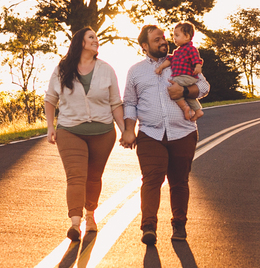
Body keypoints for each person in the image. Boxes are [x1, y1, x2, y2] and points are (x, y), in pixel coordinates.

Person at [120, 24, 210, 245]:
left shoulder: (182, 59)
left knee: (179, 182)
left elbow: (204, 86)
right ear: (144, 46)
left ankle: (179, 224)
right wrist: (128, 130)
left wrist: (185, 91)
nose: (163, 41)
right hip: (150, 134)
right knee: (151, 179)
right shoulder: (135, 71)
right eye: (156, 39)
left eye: (163, 37)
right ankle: (148, 227)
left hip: (183, 133)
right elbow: (130, 103)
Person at [44, 27, 125, 242]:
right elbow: (50, 98)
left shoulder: (106, 69)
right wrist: (50, 126)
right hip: (70, 131)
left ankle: (90, 215)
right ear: (80, 42)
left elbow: (116, 103)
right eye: (91, 37)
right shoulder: (62, 68)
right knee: (76, 176)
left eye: (97, 38)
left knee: (94, 177)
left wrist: (126, 130)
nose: (96, 41)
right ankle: (75, 223)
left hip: (103, 132)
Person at [153, 21, 204, 122]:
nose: (174, 38)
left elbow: (196, 58)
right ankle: (198, 110)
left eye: (177, 35)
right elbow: (169, 61)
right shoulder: (177, 52)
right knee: (185, 94)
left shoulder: (190, 49)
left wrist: (198, 66)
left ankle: (184, 108)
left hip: (186, 76)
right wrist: (161, 67)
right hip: (182, 78)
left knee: (173, 90)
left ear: (187, 37)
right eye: (173, 35)